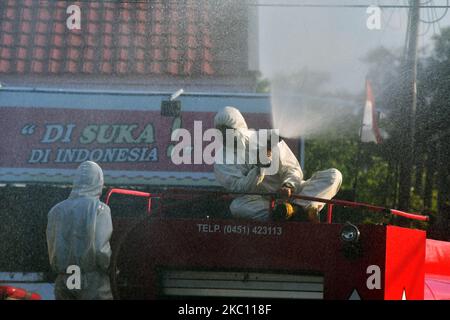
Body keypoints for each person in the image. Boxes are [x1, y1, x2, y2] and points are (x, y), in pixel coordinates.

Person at [214, 106, 342, 222]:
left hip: (294, 196)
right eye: (221, 132)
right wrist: (259, 169)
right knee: (237, 206)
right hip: (263, 202)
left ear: (239, 127)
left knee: (334, 175)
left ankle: (294, 210)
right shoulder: (222, 159)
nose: (224, 136)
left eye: (227, 131)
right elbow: (238, 189)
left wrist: (288, 186)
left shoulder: (267, 139)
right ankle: (299, 212)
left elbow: (293, 169)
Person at [46, 161, 113, 300]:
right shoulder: (100, 210)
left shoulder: (56, 210)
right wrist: (111, 269)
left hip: (64, 278)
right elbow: (101, 250)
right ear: (99, 180)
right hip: (92, 279)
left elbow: (52, 245)